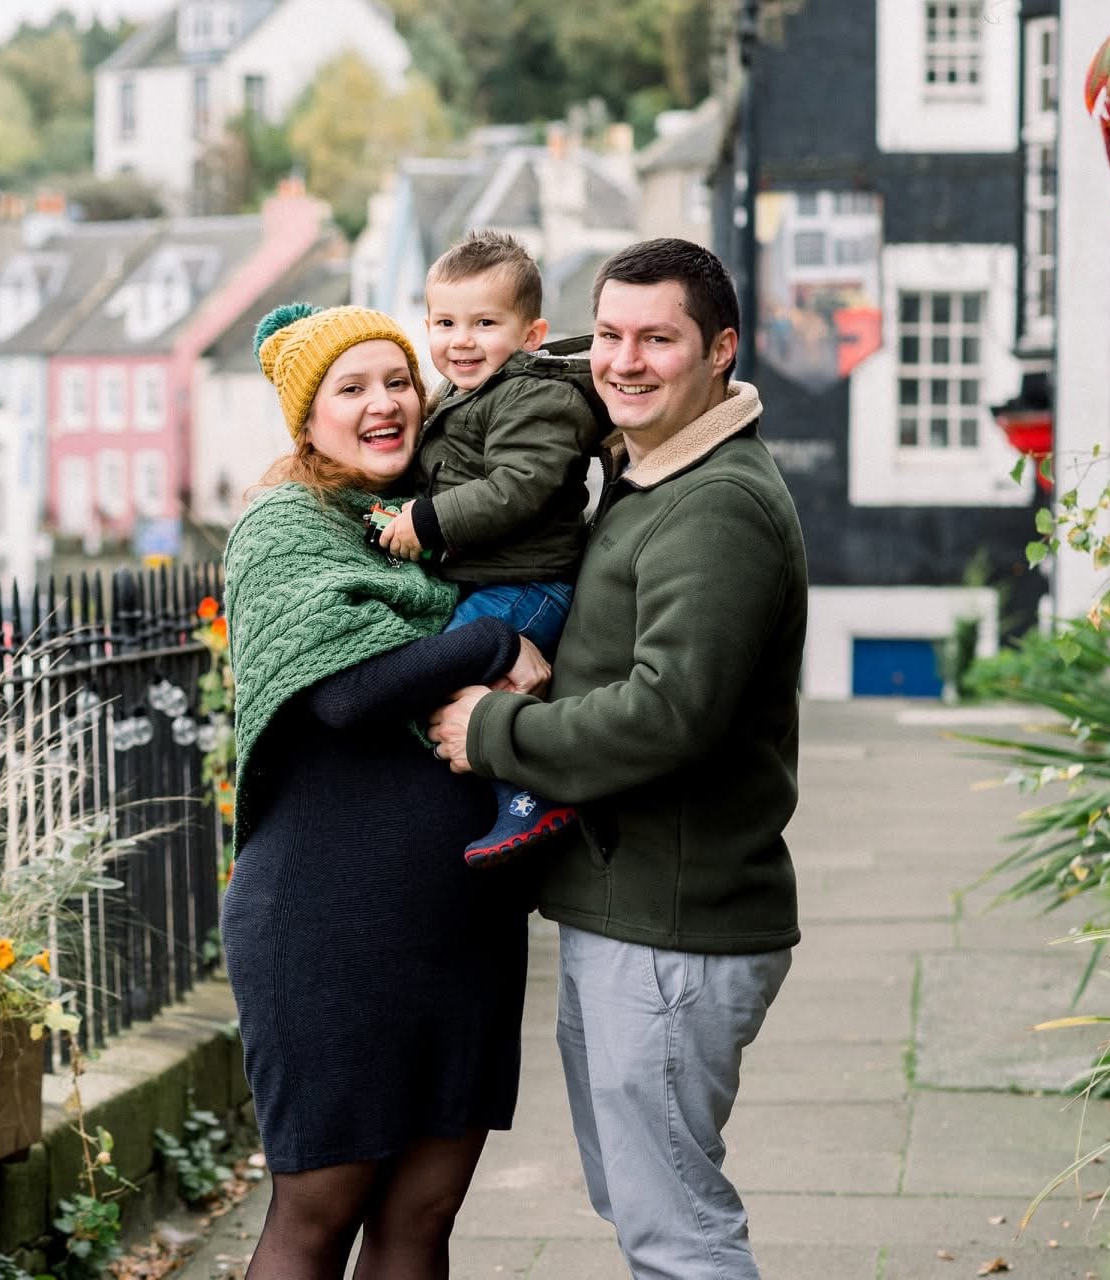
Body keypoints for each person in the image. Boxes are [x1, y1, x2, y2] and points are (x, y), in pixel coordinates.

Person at [429, 238, 808, 1279]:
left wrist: (492, 731)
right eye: (607, 334)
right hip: (625, 911)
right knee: (641, 1205)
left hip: (674, 926)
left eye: (658, 338)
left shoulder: (715, 503)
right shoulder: (641, 472)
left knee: (675, 1231)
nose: (623, 359)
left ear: (719, 350)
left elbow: (667, 714)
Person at [222, 302, 547, 1278]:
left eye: (396, 380)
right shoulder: (283, 526)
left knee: (421, 1215)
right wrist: (492, 641)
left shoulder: (438, 524)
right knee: (315, 1213)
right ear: (306, 416)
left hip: (459, 922)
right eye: (349, 388)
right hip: (326, 927)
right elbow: (342, 694)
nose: (381, 403)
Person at [376, 229, 608, 867]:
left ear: (530, 335)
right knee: (447, 677)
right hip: (500, 579)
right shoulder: (462, 396)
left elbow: (518, 486)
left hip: (531, 585)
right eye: (446, 323)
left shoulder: (534, 397)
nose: (462, 340)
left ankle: (532, 796)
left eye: (484, 323)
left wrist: (428, 520)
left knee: (443, 675)